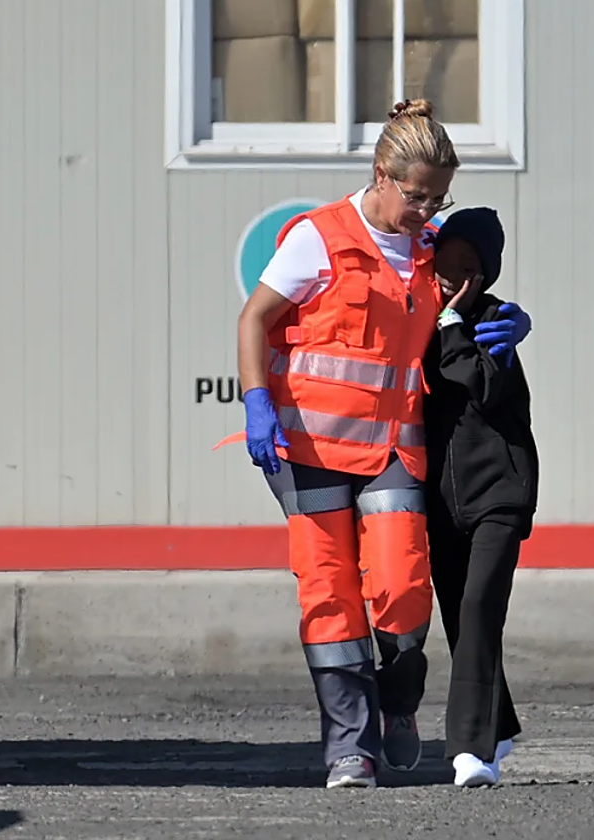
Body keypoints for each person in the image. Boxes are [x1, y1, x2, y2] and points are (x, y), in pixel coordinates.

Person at [220, 99, 532, 789]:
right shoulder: (320, 238)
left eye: (438, 199)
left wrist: (512, 317)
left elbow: (471, 286)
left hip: (392, 446)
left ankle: (397, 699)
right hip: (306, 446)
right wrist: (256, 402)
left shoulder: (427, 250)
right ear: (381, 174)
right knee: (329, 594)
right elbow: (255, 318)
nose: (426, 212)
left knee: (399, 583)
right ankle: (347, 748)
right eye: (416, 197)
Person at [422, 207, 539, 788]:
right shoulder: (416, 318)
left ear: (487, 274)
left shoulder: (494, 324)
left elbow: (487, 389)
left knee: (479, 611)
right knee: (461, 621)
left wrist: (451, 324)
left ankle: (474, 751)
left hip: (500, 492)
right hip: (440, 501)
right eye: (447, 262)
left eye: (470, 267)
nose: (455, 275)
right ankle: (502, 724)